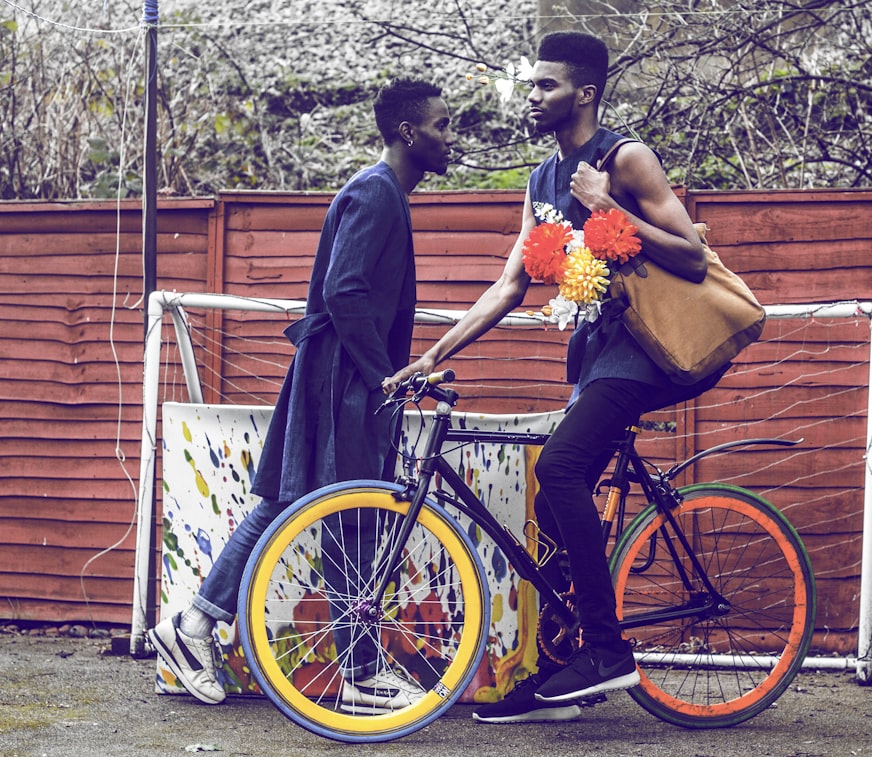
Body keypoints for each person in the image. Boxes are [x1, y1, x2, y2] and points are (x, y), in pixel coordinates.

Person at [384, 31, 728, 724]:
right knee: (552, 511)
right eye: (532, 84)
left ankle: (607, 649)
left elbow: (691, 257)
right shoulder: (543, 179)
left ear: (585, 93)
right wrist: (430, 354)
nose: (531, 95)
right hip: (597, 354)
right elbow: (510, 285)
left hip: (648, 351)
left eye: (545, 85)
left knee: (562, 469)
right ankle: (561, 670)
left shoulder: (624, 158)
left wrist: (608, 204)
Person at [149, 78, 455, 711]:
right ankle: (355, 672)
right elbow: (344, 292)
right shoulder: (375, 194)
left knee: (305, 506)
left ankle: (199, 627)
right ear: (408, 132)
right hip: (344, 379)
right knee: (342, 511)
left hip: (341, 375)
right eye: (442, 125)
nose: (450, 137)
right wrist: (386, 376)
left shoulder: (382, 193)